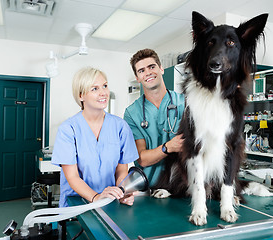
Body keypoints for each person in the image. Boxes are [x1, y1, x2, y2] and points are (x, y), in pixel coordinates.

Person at [52, 67, 139, 207]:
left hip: (109, 203)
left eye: (105, 86)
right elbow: (72, 177)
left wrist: (123, 191)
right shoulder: (68, 129)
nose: (103, 92)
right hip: (76, 207)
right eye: (95, 89)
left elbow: (121, 171)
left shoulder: (120, 126)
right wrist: (96, 197)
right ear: (81, 95)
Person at [124, 49, 185, 187]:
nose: (148, 73)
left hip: (181, 186)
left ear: (161, 69)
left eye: (152, 67)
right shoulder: (132, 113)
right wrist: (168, 147)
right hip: (149, 187)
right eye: (141, 71)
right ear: (137, 77)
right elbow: (142, 159)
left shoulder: (184, 103)